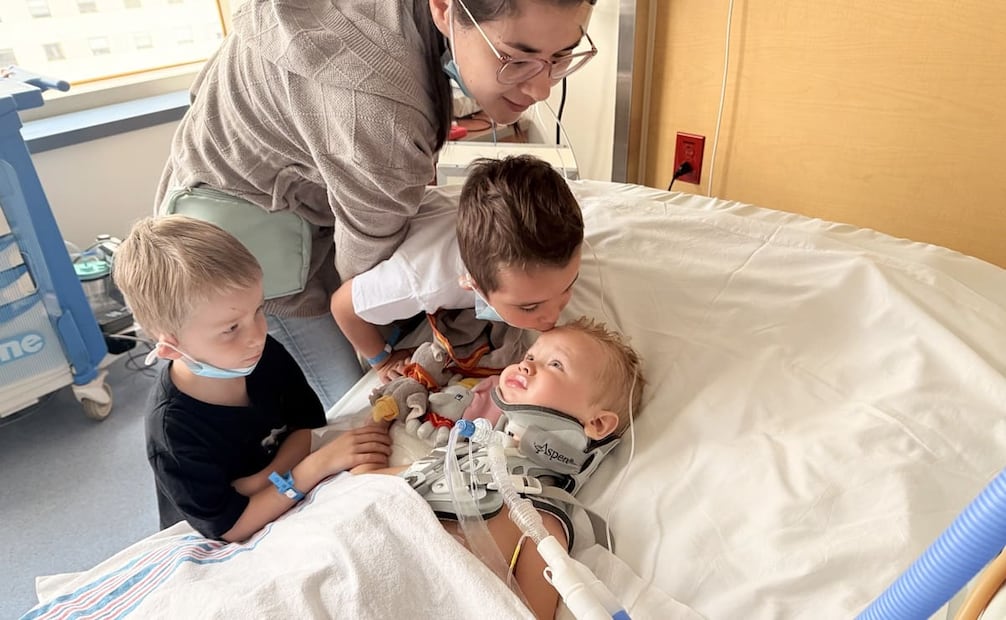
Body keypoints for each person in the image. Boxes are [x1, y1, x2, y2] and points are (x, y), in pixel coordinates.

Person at [154, 0, 600, 411]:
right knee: (356, 401)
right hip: (246, 235)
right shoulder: (379, 115)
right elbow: (358, 286)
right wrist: (378, 354)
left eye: (562, 56)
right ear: (445, 9)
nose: (542, 88)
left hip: (246, 168)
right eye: (516, 59)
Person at [112, 215, 393, 542]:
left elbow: (307, 427)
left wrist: (259, 481)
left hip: (279, 498)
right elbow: (230, 526)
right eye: (231, 328)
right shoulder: (173, 429)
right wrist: (310, 469)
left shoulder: (262, 354)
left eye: (259, 310)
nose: (258, 334)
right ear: (171, 348)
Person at [350, 316, 644, 619]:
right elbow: (362, 483)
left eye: (556, 365)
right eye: (530, 356)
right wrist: (378, 420)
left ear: (596, 423)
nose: (526, 365)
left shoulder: (542, 519)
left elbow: (527, 614)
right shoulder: (454, 456)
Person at [330, 154, 583, 380]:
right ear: (472, 285)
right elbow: (342, 307)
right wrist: (383, 360)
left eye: (568, 286)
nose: (552, 316)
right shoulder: (424, 283)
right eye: (529, 306)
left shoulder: (553, 236)